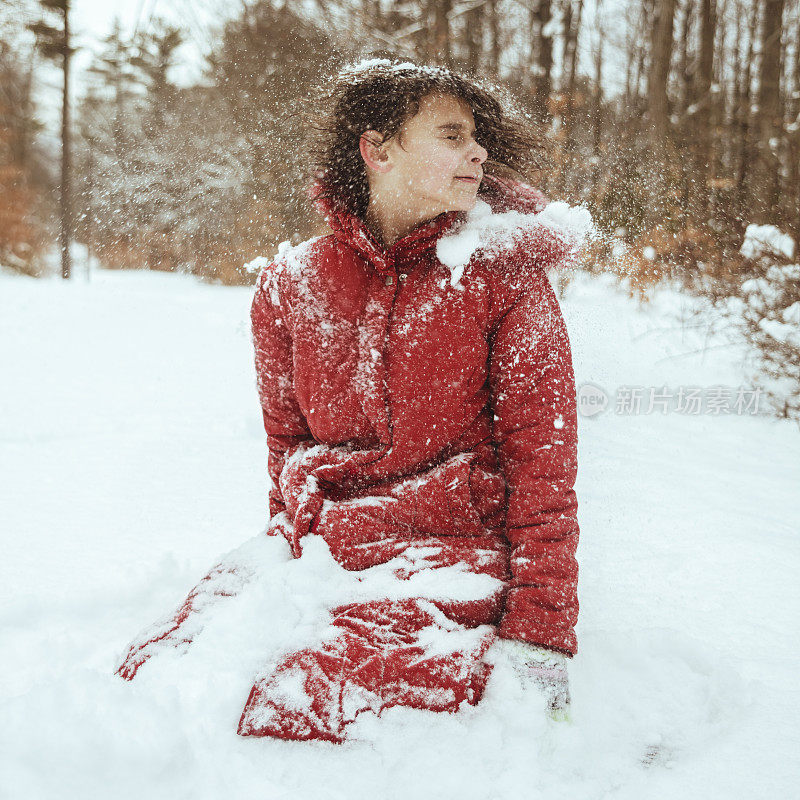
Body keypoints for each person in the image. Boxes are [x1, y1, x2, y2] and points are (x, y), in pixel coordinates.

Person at [115, 58, 583, 743]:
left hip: (450, 556)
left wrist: (542, 631)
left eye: (477, 137)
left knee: (291, 707)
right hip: (319, 547)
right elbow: (287, 448)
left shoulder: (506, 282)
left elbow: (544, 462)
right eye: (451, 135)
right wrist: (281, 566)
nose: (476, 150)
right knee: (159, 674)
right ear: (378, 150)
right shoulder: (290, 284)